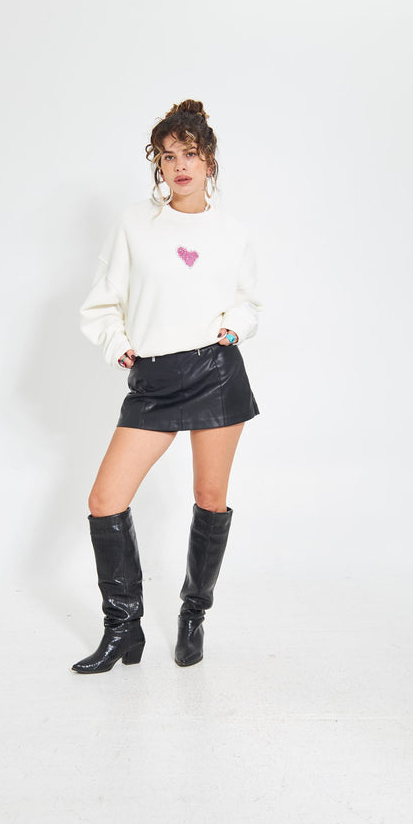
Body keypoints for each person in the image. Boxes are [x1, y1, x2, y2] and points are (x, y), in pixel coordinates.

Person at [72, 99, 261, 674]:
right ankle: (123, 628)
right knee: (105, 501)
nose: (179, 166)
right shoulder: (135, 224)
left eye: (190, 154)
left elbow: (248, 302)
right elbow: (102, 301)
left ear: (209, 161)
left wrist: (234, 329)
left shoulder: (232, 233)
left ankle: (193, 614)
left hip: (214, 372)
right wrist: (116, 343)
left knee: (210, 498)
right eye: (168, 156)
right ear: (157, 163)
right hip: (153, 379)